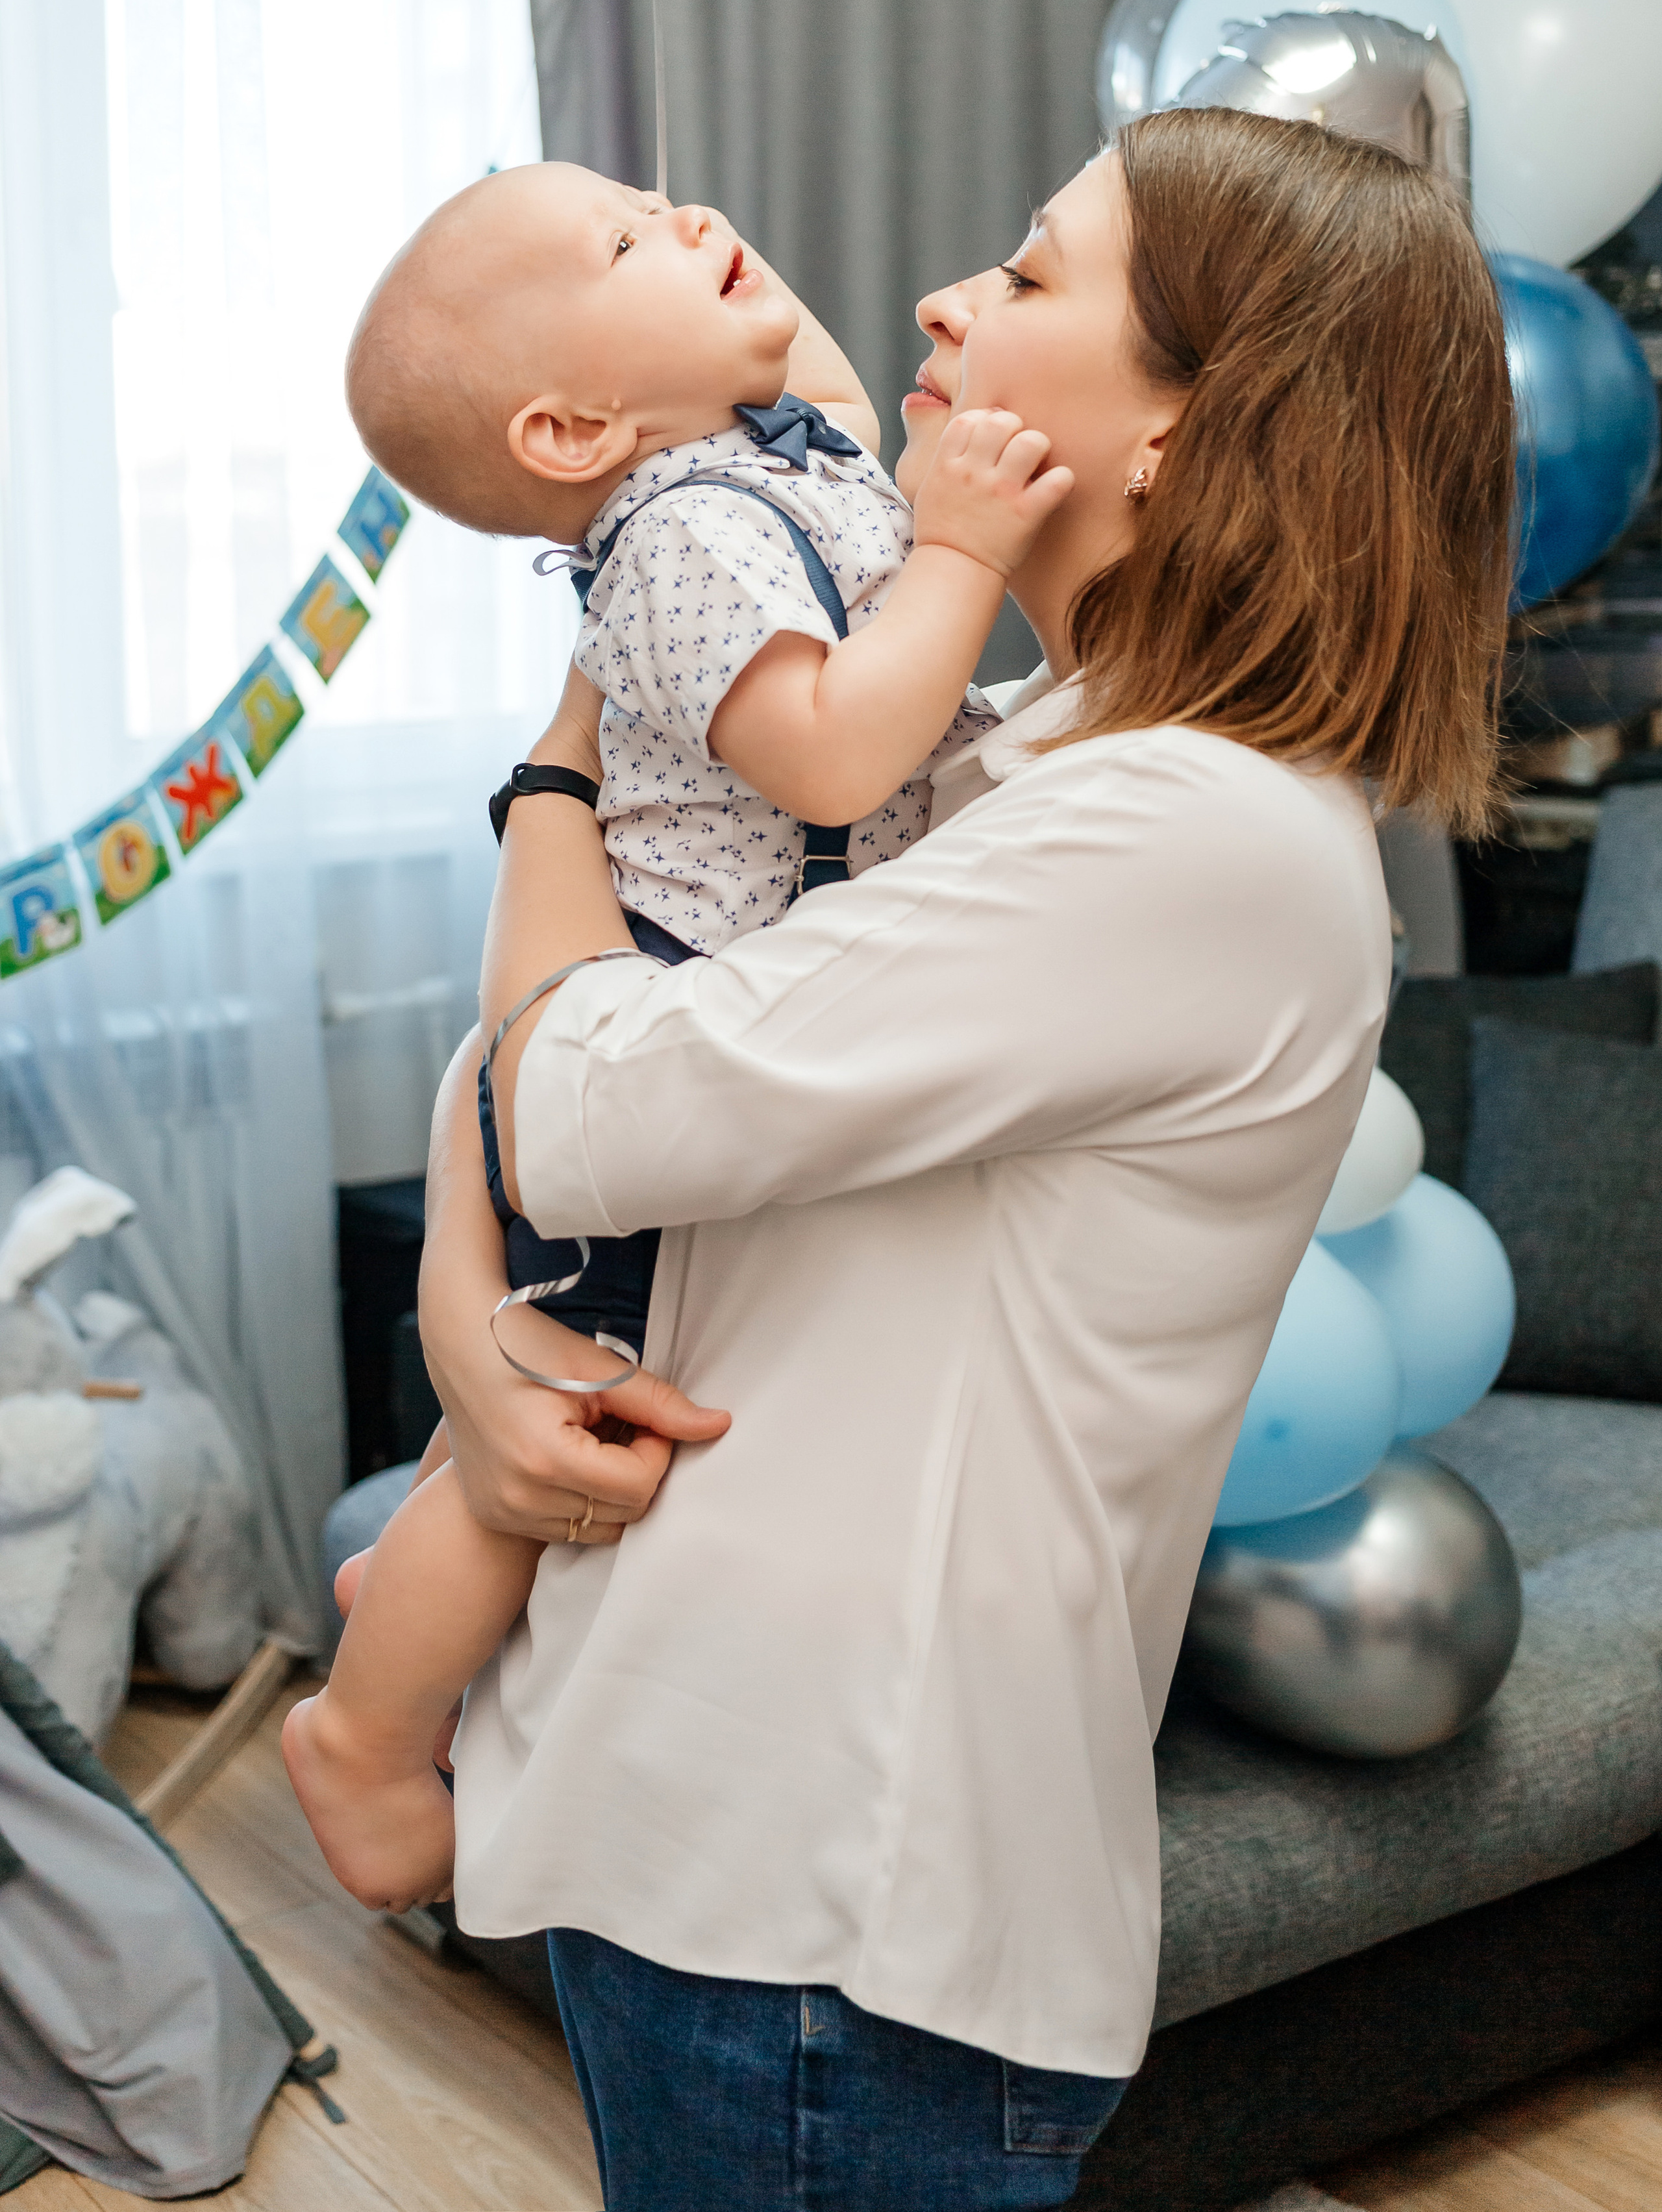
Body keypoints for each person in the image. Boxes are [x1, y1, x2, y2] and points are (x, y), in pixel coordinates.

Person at [434, 110, 1513, 2212]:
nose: (947, 298)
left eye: (1032, 277)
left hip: (830, 1897)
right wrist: (469, 1333)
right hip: (719, 1830)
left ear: (1190, 434)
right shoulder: (1021, 749)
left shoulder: (1181, 831)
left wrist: (566, 747)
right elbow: (546, 1077)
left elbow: (573, 1107)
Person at [283, 162, 1070, 1911]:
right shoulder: (684, 533)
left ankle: (402, 1592)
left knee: (554, 1406)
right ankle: (364, 1725)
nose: (697, 219)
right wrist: (960, 548)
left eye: (664, 199)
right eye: (631, 239)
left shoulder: (784, 457)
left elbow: (847, 396)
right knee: (556, 1435)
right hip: (630, 1036)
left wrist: (670, 242)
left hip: (702, 1032)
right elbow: (837, 757)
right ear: (570, 431)